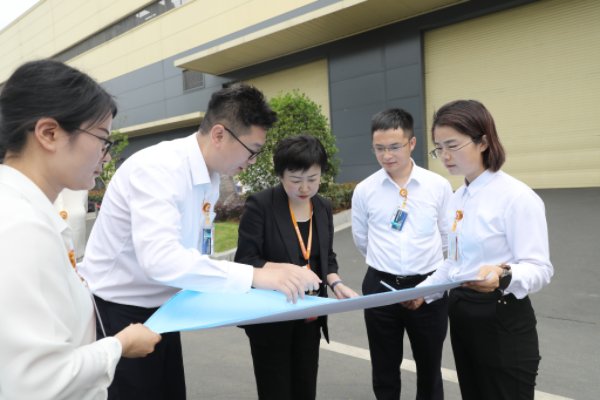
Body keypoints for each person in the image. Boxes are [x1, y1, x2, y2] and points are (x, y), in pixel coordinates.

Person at [79, 84, 322, 399]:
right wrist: (254, 275)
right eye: (252, 150)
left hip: (164, 309)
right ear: (219, 134)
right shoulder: (158, 168)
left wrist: (267, 270)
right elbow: (161, 260)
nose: (252, 161)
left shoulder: (210, 177)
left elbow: (192, 253)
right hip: (118, 310)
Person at [0, 59, 161, 399]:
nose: (106, 156)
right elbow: (35, 382)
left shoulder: (24, 210)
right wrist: (119, 345)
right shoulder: (21, 228)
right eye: (102, 139)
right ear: (49, 133)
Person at [412, 99, 553, 400]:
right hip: (464, 318)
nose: (445, 156)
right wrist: (422, 292)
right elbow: (454, 263)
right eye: (438, 148)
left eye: (453, 145)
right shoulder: (457, 198)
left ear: (483, 142)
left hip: (502, 320)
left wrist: (503, 275)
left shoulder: (516, 197)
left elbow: (540, 268)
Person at [235, 135, 358, 400]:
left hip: (309, 316)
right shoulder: (261, 205)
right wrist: (289, 271)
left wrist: (335, 282)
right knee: (276, 390)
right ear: (280, 175)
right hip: (271, 317)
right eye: (295, 180)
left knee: (305, 387)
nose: (305, 188)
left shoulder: (322, 206)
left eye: (313, 179)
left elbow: (326, 256)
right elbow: (246, 260)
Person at [351, 108, 452, 400]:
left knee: (430, 367)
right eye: (379, 148)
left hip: (429, 286)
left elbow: (448, 237)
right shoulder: (365, 190)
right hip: (380, 286)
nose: (387, 155)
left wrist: (429, 282)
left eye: (394, 147)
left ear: (412, 143)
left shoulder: (437, 186)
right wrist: (388, 263)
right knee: (384, 367)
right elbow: (361, 239)